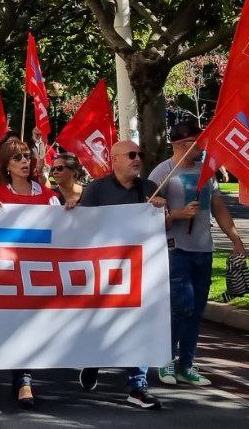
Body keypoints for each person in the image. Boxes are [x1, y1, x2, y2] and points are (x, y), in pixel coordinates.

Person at [148, 120, 247, 389]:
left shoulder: (207, 172)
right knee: (182, 306)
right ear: (183, 143)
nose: (203, 148)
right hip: (175, 248)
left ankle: (186, 364)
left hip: (204, 248)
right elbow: (148, 215)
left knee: (196, 310)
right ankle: (164, 358)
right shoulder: (163, 173)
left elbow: (218, 206)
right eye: (198, 142)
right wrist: (177, 215)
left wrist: (234, 237)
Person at [75, 139, 165, 410]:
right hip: (104, 271)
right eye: (131, 154)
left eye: (139, 154)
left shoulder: (150, 189)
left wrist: (162, 211)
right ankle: (94, 357)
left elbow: (161, 227)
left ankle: (137, 387)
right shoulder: (97, 190)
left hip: (140, 271)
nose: (137, 159)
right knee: (105, 324)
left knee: (139, 325)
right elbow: (78, 227)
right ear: (114, 160)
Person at [0, 137, 61, 409]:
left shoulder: (49, 196)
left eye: (26, 156)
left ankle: (24, 378)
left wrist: (71, 212)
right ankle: (22, 378)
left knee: (30, 325)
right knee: (15, 324)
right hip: (6, 275)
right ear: (5, 165)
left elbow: (65, 233)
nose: (24, 161)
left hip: (39, 274)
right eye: (17, 158)